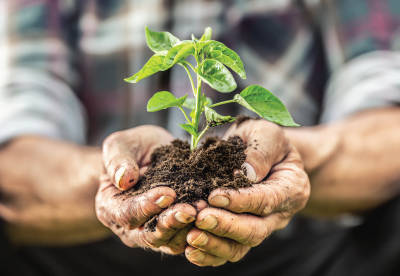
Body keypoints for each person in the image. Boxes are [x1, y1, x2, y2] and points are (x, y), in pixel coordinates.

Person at [0, 0, 400, 275]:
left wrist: (290, 159)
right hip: (84, 252)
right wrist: (118, 181)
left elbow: (384, 111)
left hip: (303, 254)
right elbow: (20, 131)